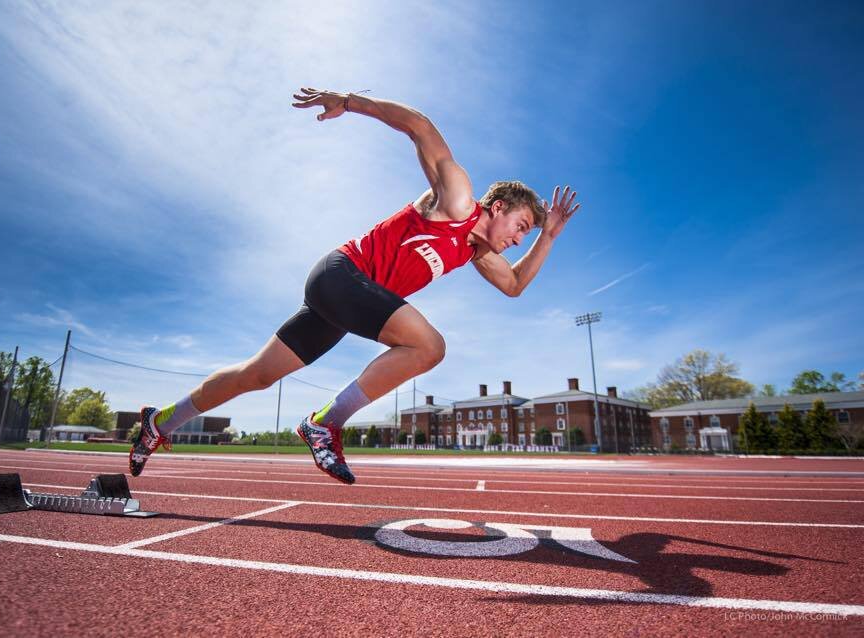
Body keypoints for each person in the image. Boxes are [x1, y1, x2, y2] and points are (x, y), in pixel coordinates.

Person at [129, 88, 581, 484]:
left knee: (258, 375)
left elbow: (516, 284)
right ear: (497, 206)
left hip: (343, 305)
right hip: (341, 274)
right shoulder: (458, 200)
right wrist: (347, 102)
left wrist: (548, 236)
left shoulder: (476, 253)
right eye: (521, 226)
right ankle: (325, 422)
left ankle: (160, 421)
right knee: (429, 346)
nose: (518, 238)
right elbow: (420, 127)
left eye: (526, 234)